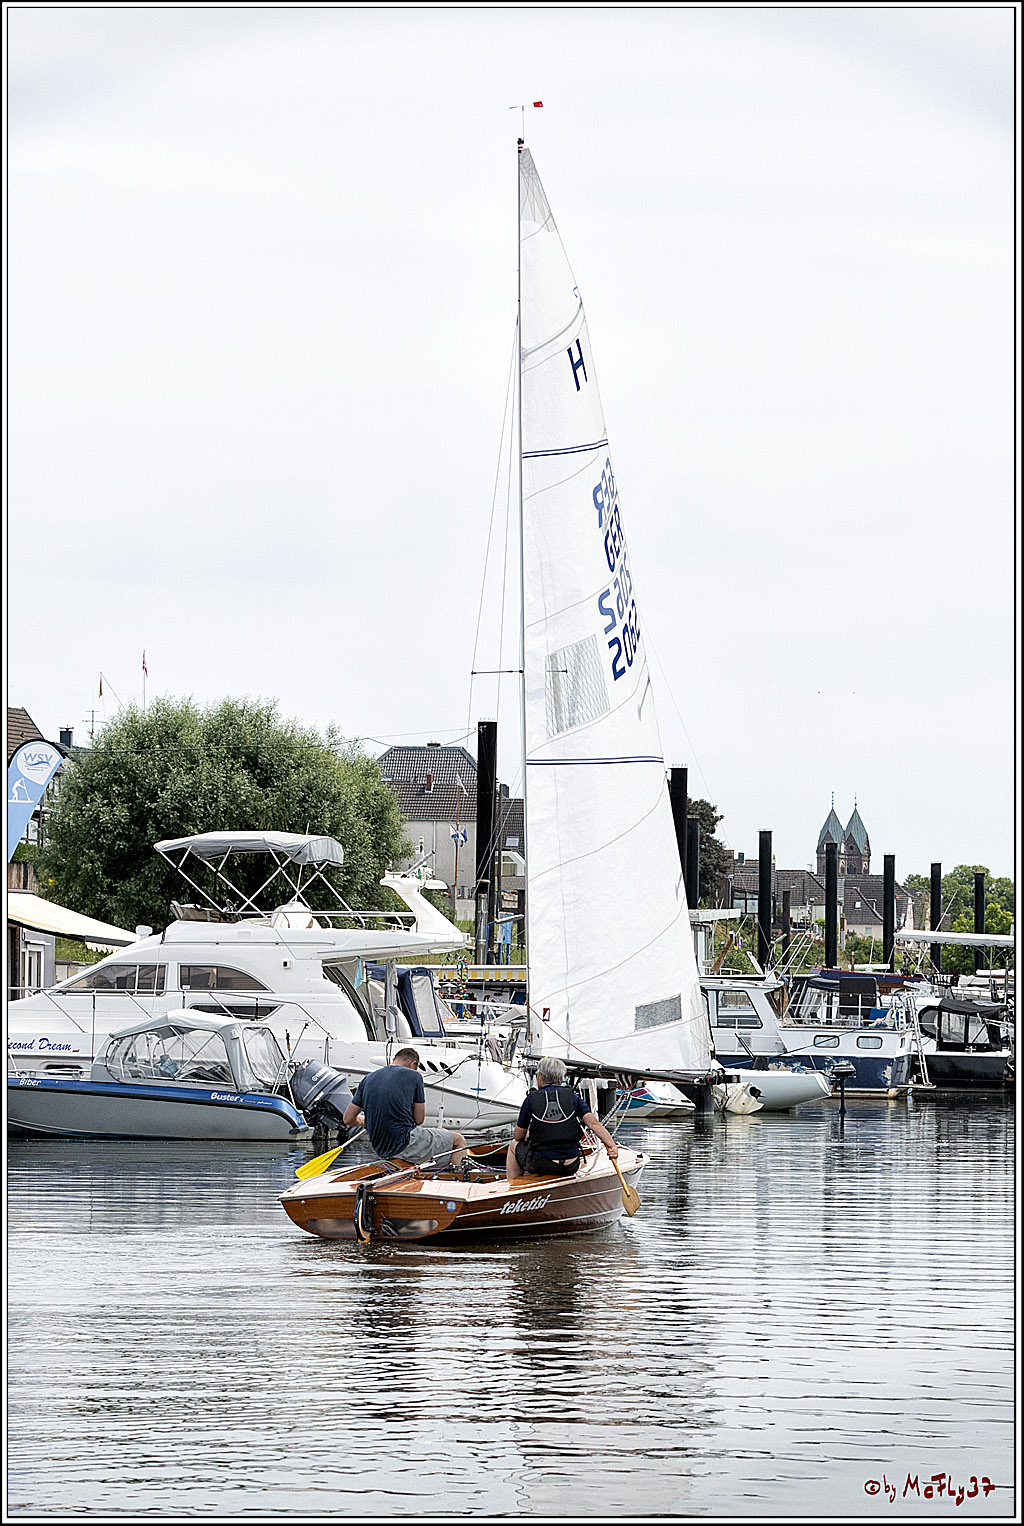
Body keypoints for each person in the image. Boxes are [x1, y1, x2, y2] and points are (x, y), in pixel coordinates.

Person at [343, 1047, 467, 1169]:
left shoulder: (368, 1078)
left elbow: (348, 1119)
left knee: (442, 1132)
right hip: (405, 1143)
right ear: (413, 1064)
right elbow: (419, 1119)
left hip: (381, 1149)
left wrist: (364, 1121)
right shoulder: (414, 1075)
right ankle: (457, 1178)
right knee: (458, 1140)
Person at [506, 1057, 619, 1180]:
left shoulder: (531, 1099)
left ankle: (513, 1185)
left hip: (543, 1164)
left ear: (540, 1077)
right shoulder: (573, 1097)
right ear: (562, 1077)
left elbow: (518, 1136)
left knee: (514, 1145)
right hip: (571, 1165)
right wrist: (612, 1146)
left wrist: (528, 1134)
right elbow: (594, 1124)